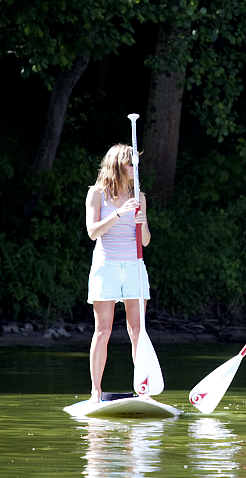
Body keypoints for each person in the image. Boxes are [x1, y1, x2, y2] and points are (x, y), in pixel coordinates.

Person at [85, 144, 152, 404]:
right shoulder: (97, 194)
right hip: (107, 267)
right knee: (103, 331)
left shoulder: (139, 197)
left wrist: (142, 223)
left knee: (138, 331)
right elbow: (93, 232)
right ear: (117, 165)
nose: (135, 168)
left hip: (134, 267)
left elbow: (145, 241)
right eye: (130, 164)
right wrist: (118, 213)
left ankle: (142, 390)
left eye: (136, 164)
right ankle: (96, 392)